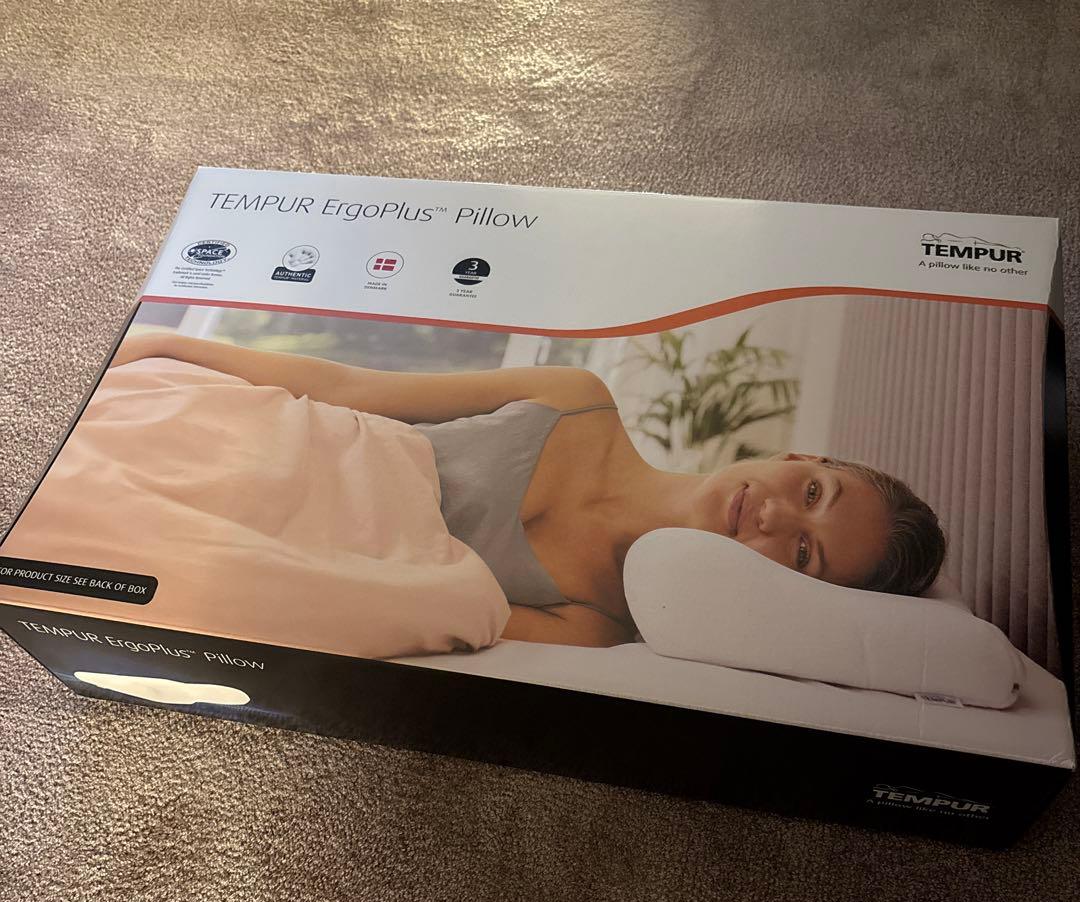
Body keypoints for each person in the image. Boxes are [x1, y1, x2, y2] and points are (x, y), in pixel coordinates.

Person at [111, 329, 947, 649]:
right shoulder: (576, 397)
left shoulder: (599, 622)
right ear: (801, 457)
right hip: (262, 439)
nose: (773, 513)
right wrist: (166, 346)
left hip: (263, 537)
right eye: (813, 493)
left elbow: (379, 608)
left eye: (801, 554)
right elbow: (354, 389)